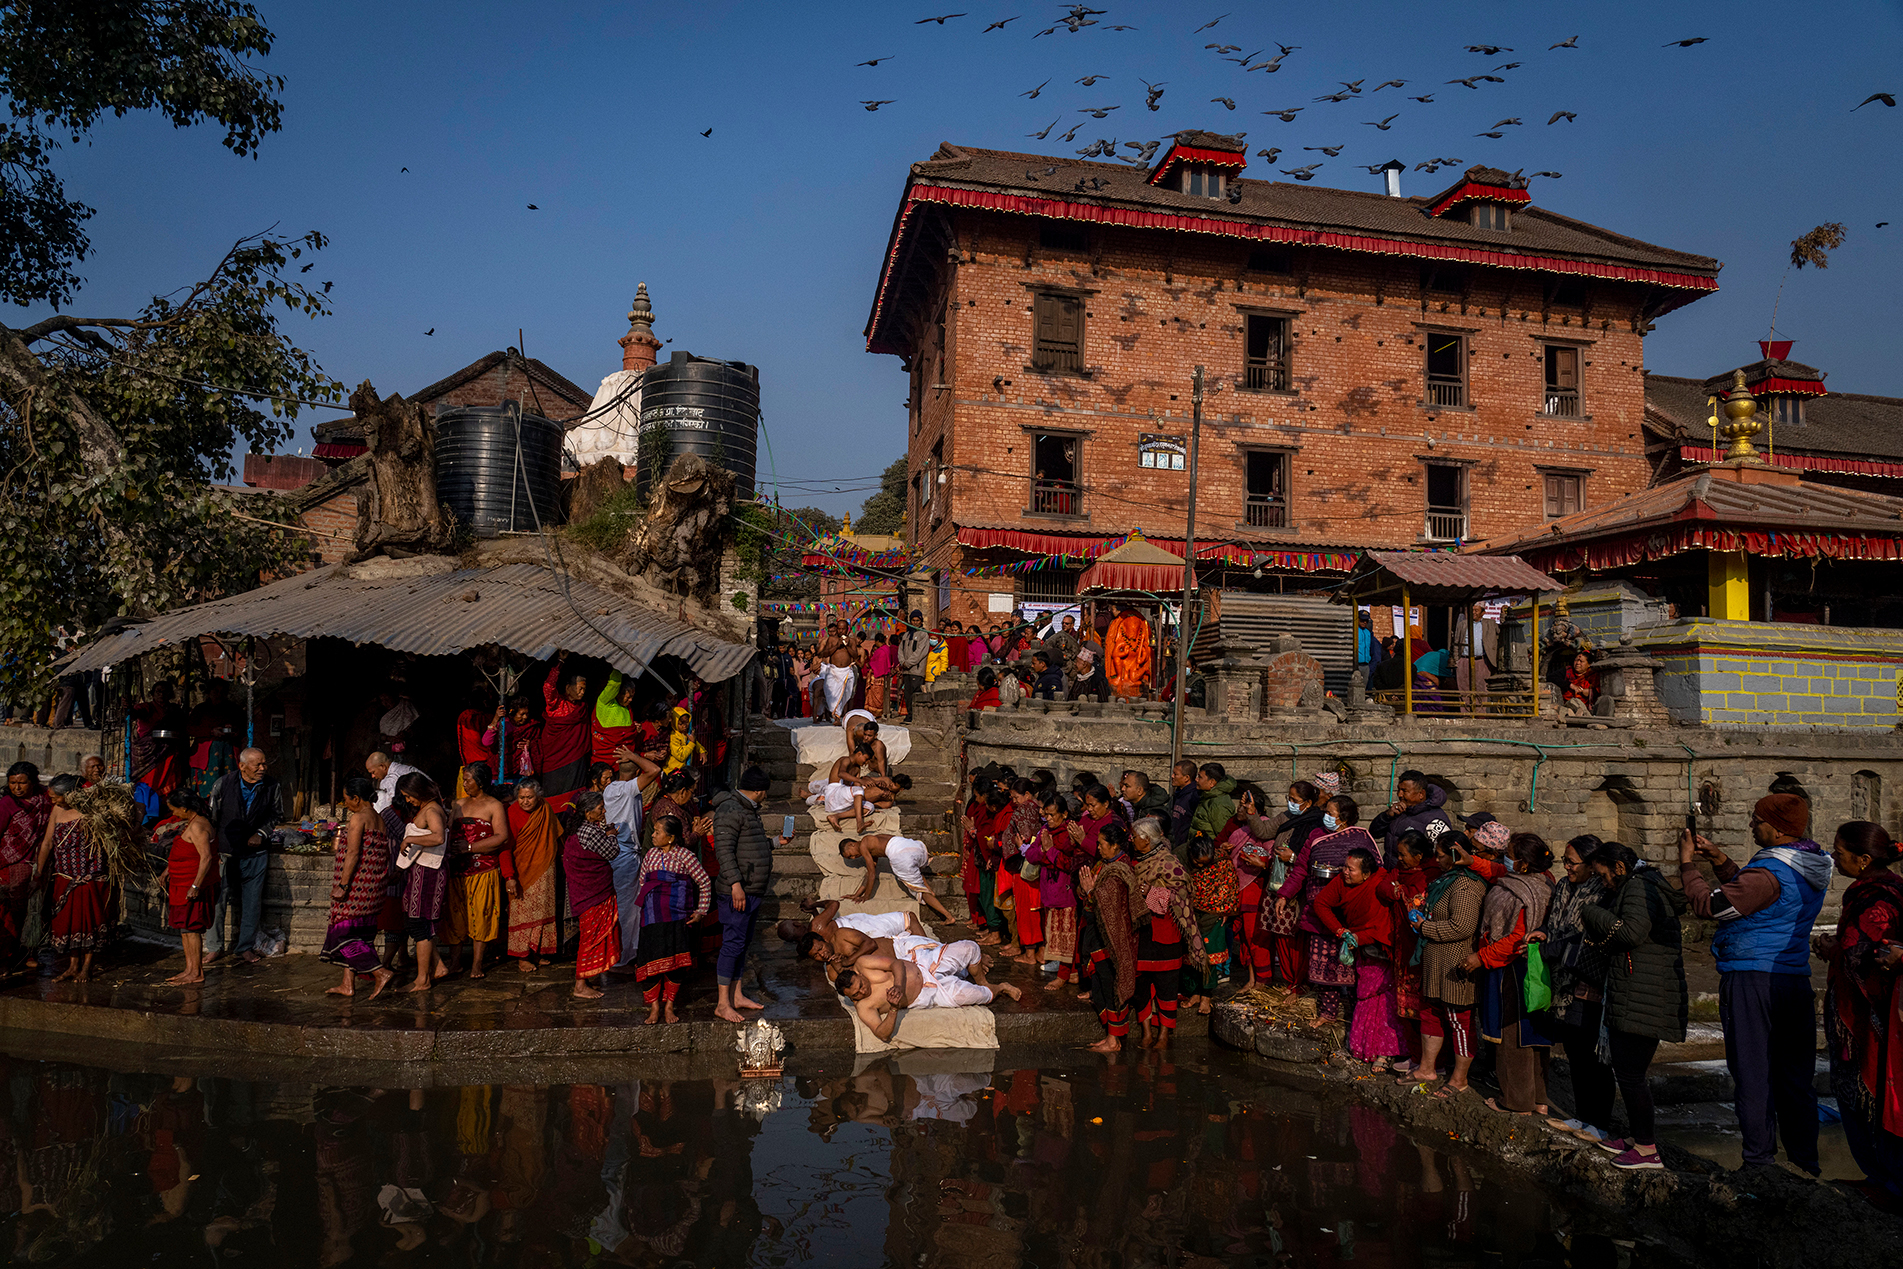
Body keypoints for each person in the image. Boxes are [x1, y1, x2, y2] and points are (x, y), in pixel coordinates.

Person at [1679, 794, 1829, 1176]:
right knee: (1795, 1076)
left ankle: (1759, 1162)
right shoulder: (1808, 863)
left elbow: (1713, 906)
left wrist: (1687, 865)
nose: (1751, 825)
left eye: (1756, 819)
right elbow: (1762, 900)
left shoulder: (1768, 873)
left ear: (1776, 829)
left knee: (1752, 1071)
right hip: (1792, 976)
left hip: (1753, 978)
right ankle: (1804, 1162)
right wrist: (1720, 861)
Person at [1577, 841, 1688, 1171]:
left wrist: (1592, 911)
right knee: (1629, 1072)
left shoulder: (1637, 888)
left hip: (1645, 995)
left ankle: (1647, 1150)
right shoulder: (1644, 885)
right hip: (1643, 991)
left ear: (1619, 868)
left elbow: (1632, 932)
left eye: (1603, 876)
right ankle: (1638, 1139)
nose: (1603, 883)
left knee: (1630, 1074)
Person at [1813, 820, 1903, 1206]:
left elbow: (1860, 954)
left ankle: (1886, 1181)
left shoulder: (1875, 899)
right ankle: (1882, 1177)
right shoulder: (1883, 890)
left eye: (1839, 850)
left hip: (1870, 1020)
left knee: (1870, 1096)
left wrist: (1831, 949)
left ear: (1864, 859)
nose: (1834, 855)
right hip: (1876, 1015)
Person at [1465, 833, 1556, 1117]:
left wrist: (1481, 957)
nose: (1506, 857)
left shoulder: (1522, 891)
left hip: (1512, 968)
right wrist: (1471, 861)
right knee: (1535, 1034)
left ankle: (1516, 1101)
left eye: (1511, 853)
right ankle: (1539, 1098)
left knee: (1512, 1034)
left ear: (1524, 863)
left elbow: (1516, 937)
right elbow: (1496, 870)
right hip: (1535, 968)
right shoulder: (1542, 882)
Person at [1533, 834, 1616, 1146]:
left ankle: (1600, 1123)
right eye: (1564, 862)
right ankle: (1582, 1116)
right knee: (1575, 1054)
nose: (1566, 867)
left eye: (1572, 862)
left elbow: (1589, 936)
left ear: (1592, 865)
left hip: (1588, 981)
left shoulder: (1603, 892)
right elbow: (1553, 922)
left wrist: (1555, 947)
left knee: (1593, 1057)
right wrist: (1543, 934)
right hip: (1563, 983)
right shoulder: (1565, 887)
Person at [1279, 794, 1378, 1021]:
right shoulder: (1316, 836)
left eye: (1330, 814)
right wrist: (1284, 894)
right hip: (1319, 911)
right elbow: (1301, 869)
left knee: (1354, 968)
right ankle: (1328, 1013)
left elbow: (1374, 870)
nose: (1326, 817)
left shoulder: (1361, 838)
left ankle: (1358, 1016)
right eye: (1325, 812)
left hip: (1350, 913)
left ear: (1343, 818)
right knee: (1322, 967)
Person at [1314, 846, 1408, 1070]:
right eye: (1345, 867)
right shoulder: (1341, 882)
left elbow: (1383, 923)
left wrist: (1360, 936)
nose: (1344, 872)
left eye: (1350, 869)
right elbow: (1321, 903)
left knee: (1384, 999)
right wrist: (1340, 931)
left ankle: (1384, 1053)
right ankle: (1365, 1048)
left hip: (1381, 948)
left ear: (1367, 874)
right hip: (1361, 949)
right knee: (1366, 996)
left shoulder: (1381, 882)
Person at [1409, 831, 1488, 1095]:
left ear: (1454, 855)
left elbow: (1462, 926)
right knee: (1430, 1014)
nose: (1437, 859)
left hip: (1456, 963)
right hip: (1436, 962)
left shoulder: (1466, 885)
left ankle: (1459, 1079)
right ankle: (1427, 1068)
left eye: (1441, 855)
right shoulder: (1444, 881)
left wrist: (1425, 926)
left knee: (1459, 1020)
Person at [711, 767, 792, 1023]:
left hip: (752, 888)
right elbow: (723, 851)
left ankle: (736, 995)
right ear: (759, 791)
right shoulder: (730, 810)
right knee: (732, 944)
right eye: (765, 792)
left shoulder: (746, 810)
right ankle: (722, 1003)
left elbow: (751, 844)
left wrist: (776, 843)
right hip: (739, 891)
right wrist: (735, 883)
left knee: (742, 945)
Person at [623, 811, 710, 1018]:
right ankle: (654, 1007)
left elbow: (704, 882)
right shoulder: (651, 855)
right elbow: (643, 882)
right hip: (652, 917)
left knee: (675, 964)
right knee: (649, 960)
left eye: (657, 832)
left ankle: (670, 1005)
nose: (652, 835)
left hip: (677, 917)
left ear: (670, 837)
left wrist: (700, 911)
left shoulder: (685, 856)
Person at [1129, 817, 1206, 1048]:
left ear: (1146, 839)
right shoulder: (1137, 862)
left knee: (1167, 985)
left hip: (1165, 933)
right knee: (1141, 984)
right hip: (1142, 932)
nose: (1132, 841)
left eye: (1135, 837)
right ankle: (1146, 1032)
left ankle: (1163, 1033)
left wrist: (1152, 892)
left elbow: (1181, 898)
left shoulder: (1170, 863)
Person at [316, 775, 395, 999]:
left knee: (343, 933)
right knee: (361, 934)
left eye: (346, 799)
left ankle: (379, 972)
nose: (345, 804)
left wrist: (343, 885)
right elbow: (384, 852)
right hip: (373, 887)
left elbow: (353, 853)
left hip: (356, 887)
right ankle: (347, 984)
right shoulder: (379, 819)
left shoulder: (359, 819)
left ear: (357, 798)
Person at [205, 747, 281, 965]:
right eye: (257, 764)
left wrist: (261, 833)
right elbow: (212, 818)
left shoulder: (271, 786)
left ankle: (245, 947)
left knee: (252, 903)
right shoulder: (223, 784)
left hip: (255, 853)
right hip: (225, 852)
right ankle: (214, 947)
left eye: (264, 764)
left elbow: (277, 815)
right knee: (218, 901)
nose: (262, 768)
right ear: (242, 766)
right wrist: (213, 850)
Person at [836, 954, 1019, 1042]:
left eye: (860, 986)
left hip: (925, 967)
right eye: (856, 995)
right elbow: (881, 1034)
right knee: (977, 995)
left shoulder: (863, 964)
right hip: (929, 994)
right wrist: (893, 1008)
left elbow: (895, 963)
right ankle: (1000, 987)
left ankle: (968, 973)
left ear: (857, 974)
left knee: (968, 948)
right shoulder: (864, 1007)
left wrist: (898, 985)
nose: (862, 992)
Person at [441, 763, 512, 980]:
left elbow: (501, 837)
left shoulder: (494, 805)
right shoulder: (458, 804)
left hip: (483, 870)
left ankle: (477, 963)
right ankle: (455, 962)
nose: (464, 784)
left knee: (481, 914)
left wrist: (469, 847)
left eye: (468, 779)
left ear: (480, 782)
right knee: (455, 916)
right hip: (456, 869)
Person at [35, 775, 109, 981]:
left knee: (88, 922)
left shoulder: (92, 812)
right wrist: (39, 872)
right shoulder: (57, 811)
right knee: (68, 923)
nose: (53, 801)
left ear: (70, 794)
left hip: (89, 877)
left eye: (56, 797)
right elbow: (48, 842)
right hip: (64, 876)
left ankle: (87, 966)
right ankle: (72, 965)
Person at [1079, 818, 1142, 1052]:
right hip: (1099, 936)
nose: (1098, 847)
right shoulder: (1104, 865)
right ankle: (1110, 1036)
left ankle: (1114, 1040)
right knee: (1101, 985)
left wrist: (1090, 891)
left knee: (1110, 985)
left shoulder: (1119, 870)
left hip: (1112, 941)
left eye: (1102, 843)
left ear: (1115, 846)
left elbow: (1109, 904)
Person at [392, 771, 451, 993]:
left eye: (408, 795)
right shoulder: (427, 808)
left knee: (420, 922)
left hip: (429, 873)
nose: (407, 800)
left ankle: (422, 979)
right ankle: (438, 966)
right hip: (418, 871)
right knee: (412, 919)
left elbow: (438, 837)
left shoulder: (433, 809)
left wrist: (409, 839)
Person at [561, 791, 623, 1000]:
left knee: (591, 936)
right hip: (593, 894)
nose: (604, 811)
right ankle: (580, 984)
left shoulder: (580, 829)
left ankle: (588, 977)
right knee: (590, 938)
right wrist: (613, 834)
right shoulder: (589, 832)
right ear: (588, 813)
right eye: (600, 808)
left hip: (586, 892)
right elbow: (612, 852)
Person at [1022, 792, 1085, 989]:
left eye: (1052, 815)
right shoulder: (1044, 832)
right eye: (1046, 815)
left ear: (1064, 814)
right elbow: (1031, 854)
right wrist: (1045, 852)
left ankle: (1065, 974)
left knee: (1067, 938)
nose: (1048, 819)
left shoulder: (1070, 835)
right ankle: (1070, 973)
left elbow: (1070, 864)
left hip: (1066, 894)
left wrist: (1050, 852)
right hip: (1049, 891)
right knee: (1054, 935)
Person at [160, 789, 218, 986]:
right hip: (180, 883)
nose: (173, 813)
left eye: (174, 809)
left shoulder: (199, 826)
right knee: (184, 929)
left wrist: (195, 885)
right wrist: (168, 870)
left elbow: (206, 857)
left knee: (191, 928)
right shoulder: (190, 824)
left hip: (192, 885)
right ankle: (189, 969)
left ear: (184, 808)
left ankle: (197, 972)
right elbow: (186, 851)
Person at [504, 778, 561, 970]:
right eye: (521, 798)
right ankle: (522, 957)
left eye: (529, 797)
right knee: (522, 915)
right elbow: (505, 848)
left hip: (545, 870)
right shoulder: (511, 813)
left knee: (543, 911)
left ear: (538, 797)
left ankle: (536, 952)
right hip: (522, 873)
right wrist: (509, 876)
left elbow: (556, 837)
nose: (525, 801)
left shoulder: (546, 809)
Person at [841, 832, 959, 924]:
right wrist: (857, 894)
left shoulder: (863, 845)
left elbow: (872, 874)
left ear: (851, 844)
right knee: (914, 873)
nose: (853, 858)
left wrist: (866, 896)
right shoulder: (873, 841)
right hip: (915, 847)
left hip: (901, 855)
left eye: (850, 855)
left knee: (919, 890)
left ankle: (948, 916)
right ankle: (930, 891)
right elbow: (869, 873)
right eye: (850, 858)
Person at [0, 762, 51, 967]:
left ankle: (30, 951)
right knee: (13, 910)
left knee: (37, 909)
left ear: (33, 782)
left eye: (22, 783)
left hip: (40, 861)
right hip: (11, 864)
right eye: (13, 783)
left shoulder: (46, 799)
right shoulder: (6, 804)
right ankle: (9, 953)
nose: (17, 788)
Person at [1184, 834, 1238, 1014]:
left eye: (1205, 864)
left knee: (1210, 958)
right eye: (1198, 863)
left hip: (1215, 917)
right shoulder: (1181, 860)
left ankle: (1206, 996)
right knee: (1192, 957)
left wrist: (1225, 909)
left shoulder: (1223, 862)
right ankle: (1195, 993)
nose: (1201, 867)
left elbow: (1230, 887)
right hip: (1190, 915)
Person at [1368, 771, 1454, 870]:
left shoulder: (1435, 821)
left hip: (1417, 878)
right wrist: (1387, 816)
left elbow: (1442, 857)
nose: (1400, 795)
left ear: (1421, 794)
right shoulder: (1400, 811)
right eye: (1398, 790)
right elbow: (1374, 833)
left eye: (1404, 791)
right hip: (1392, 874)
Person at [129, 682, 187, 823]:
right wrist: (128, 707)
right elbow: (135, 714)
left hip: (168, 751)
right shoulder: (146, 707)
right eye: (158, 692)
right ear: (153, 694)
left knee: (169, 780)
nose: (162, 695)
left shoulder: (173, 709)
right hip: (147, 753)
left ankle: (167, 812)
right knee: (149, 783)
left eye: (165, 692)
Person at [539, 654, 592, 796]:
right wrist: (560, 662)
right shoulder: (557, 704)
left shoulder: (581, 708)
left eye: (584, 690)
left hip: (576, 758)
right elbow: (548, 686)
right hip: (555, 761)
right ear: (568, 688)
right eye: (579, 689)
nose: (582, 693)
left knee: (575, 794)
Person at [186, 679, 242, 799]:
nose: (219, 695)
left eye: (222, 692)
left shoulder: (234, 709)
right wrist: (211, 731)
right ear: (209, 692)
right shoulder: (200, 709)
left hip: (229, 753)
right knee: (208, 786)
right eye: (216, 691)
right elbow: (190, 729)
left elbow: (243, 727)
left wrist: (234, 730)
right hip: (207, 755)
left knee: (230, 784)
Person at [1104, 607, 1152, 702]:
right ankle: (1119, 676)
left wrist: (1141, 658)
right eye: (1131, 630)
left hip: (1134, 669)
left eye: (1135, 631)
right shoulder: (1122, 642)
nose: (1133, 634)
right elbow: (1114, 654)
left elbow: (1142, 659)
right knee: (1117, 659)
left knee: (1134, 677)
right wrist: (1124, 653)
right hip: (1121, 670)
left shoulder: (1140, 644)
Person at [896, 612, 930, 722]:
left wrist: (909, 663)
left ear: (921, 621)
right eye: (913, 620)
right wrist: (902, 662)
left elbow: (920, 652)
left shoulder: (923, 635)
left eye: (917, 620)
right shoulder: (906, 635)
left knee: (916, 694)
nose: (915, 622)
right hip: (907, 670)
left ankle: (917, 716)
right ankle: (910, 715)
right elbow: (900, 650)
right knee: (907, 695)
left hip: (917, 670)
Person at [365, 751, 419, 815]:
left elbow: (388, 809)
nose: (372, 776)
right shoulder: (402, 768)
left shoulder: (390, 779)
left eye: (373, 772)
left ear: (382, 766)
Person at [1167, 759, 1200, 852]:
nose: (1172, 776)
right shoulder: (1177, 794)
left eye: (1175, 774)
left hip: (1185, 848)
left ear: (1186, 778)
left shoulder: (1194, 797)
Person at [865, 633, 896, 716]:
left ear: (878, 641)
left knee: (876, 697)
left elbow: (877, 664)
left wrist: (870, 665)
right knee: (882, 696)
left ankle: (875, 712)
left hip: (877, 676)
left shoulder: (880, 651)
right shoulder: (887, 649)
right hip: (885, 676)